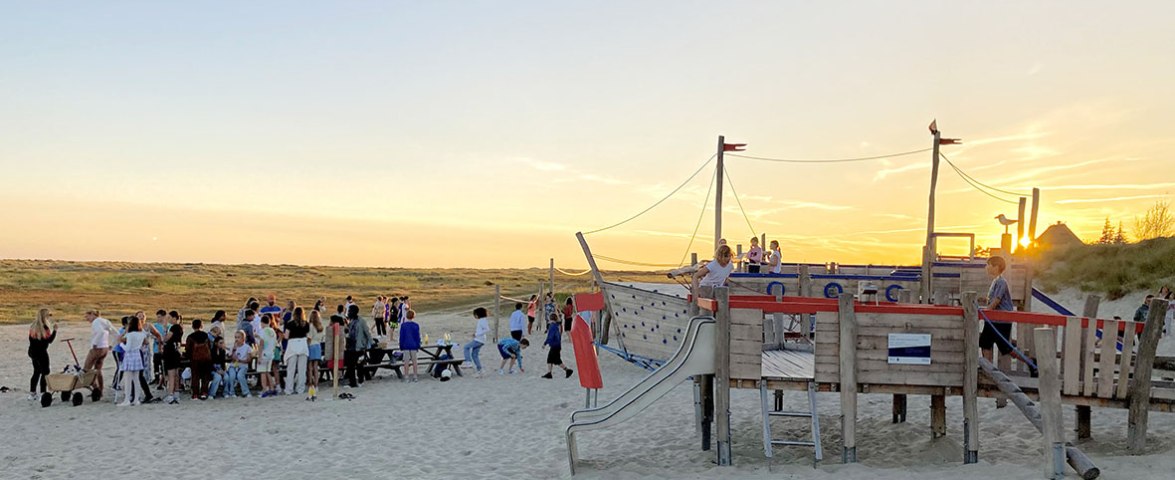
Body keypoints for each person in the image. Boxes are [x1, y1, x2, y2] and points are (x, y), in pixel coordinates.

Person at [979, 256, 1035, 375]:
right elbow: (992, 299)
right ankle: (988, 369)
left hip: (1001, 321)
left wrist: (987, 310)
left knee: (1005, 347)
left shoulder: (1001, 282)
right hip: (993, 320)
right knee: (985, 343)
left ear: (996, 267)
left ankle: (1030, 362)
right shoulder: (995, 281)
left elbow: (997, 300)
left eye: (989, 265)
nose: (986, 267)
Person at [83, 309, 119, 400]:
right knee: (98, 369)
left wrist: (95, 343)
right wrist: (112, 344)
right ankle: (100, 390)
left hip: (97, 348)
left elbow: (100, 332)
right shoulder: (105, 321)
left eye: (87, 316)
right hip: (105, 348)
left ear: (92, 314)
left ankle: (96, 389)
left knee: (86, 369)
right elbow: (116, 333)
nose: (86, 319)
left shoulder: (96, 322)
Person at [115, 317, 149, 406]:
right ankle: (136, 400)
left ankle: (127, 400)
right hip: (137, 355)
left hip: (130, 355)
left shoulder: (130, 335)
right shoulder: (141, 334)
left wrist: (121, 344)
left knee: (128, 379)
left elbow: (128, 347)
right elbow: (145, 342)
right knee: (136, 379)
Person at [27, 308, 57, 401]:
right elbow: (49, 340)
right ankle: (43, 393)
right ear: (45, 317)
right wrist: (55, 331)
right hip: (41, 352)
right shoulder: (45, 328)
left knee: (36, 371)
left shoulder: (33, 326)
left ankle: (32, 393)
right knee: (45, 372)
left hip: (32, 351)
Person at [284, 307, 311, 396]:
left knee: (291, 369)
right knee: (302, 370)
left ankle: (289, 389)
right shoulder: (306, 324)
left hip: (293, 345)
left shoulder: (290, 324)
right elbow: (308, 336)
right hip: (303, 344)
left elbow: (286, 336)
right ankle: (300, 389)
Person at [344, 305, 372, 388]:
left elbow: (367, 333)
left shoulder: (361, 321)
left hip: (359, 346)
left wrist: (371, 343)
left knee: (359, 364)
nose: (348, 313)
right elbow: (349, 331)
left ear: (354, 312)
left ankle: (360, 380)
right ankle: (352, 382)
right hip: (351, 346)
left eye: (349, 311)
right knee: (350, 365)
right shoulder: (351, 321)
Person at [541, 313, 574, 379]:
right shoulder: (556, 326)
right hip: (557, 345)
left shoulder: (552, 326)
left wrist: (545, 343)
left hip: (554, 345)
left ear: (550, 319)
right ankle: (550, 373)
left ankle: (567, 370)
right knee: (554, 359)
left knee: (553, 359)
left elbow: (550, 337)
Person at [186, 319, 213, 400]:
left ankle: (195, 394)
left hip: (195, 359)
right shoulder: (206, 335)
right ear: (201, 326)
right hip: (206, 359)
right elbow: (209, 346)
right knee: (205, 376)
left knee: (195, 376)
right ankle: (204, 392)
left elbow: (188, 349)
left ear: (192, 326)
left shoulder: (190, 337)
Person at [161, 315, 184, 404]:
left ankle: (170, 394)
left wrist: (165, 329)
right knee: (176, 374)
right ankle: (176, 393)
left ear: (175, 318)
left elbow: (166, 338)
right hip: (176, 352)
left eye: (170, 318)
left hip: (170, 352)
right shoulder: (180, 328)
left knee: (171, 375)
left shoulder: (174, 327)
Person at [225, 331, 252, 398]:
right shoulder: (233, 347)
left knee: (240, 375)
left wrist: (240, 360)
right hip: (233, 365)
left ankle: (246, 392)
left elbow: (249, 359)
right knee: (232, 376)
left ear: (243, 338)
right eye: (235, 337)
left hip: (243, 365)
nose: (236, 339)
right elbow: (230, 357)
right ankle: (232, 392)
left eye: (238, 337)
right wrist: (233, 350)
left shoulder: (247, 347)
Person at [464, 307, 490, 376]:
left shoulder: (482, 320)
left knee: (466, 347)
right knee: (474, 355)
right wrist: (475, 334)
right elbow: (481, 330)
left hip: (479, 339)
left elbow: (487, 329)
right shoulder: (482, 320)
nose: (475, 316)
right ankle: (480, 370)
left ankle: (468, 362)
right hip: (480, 339)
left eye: (475, 314)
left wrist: (477, 334)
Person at [258, 314, 279, 398]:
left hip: (264, 353)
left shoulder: (262, 331)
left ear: (262, 323)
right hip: (271, 354)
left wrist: (259, 356)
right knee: (267, 371)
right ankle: (272, 388)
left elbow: (261, 344)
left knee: (262, 372)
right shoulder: (272, 331)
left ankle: (264, 389)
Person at [399, 309, 422, 382]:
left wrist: (401, 345)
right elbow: (417, 336)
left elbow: (401, 336)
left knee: (406, 362)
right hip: (413, 345)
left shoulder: (403, 325)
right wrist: (418, 344)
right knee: (414, 361)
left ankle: (406, 376)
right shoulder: (416, 325)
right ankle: (415, 376)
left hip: (406, 344)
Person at [307, 310, 325, 400]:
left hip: (311, 345)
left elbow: (309, 338)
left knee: (310, 367)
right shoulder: (320, 327)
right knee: (315, 367)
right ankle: (316, 384)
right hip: (318, 345)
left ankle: (311, 383)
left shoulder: (311, 326)